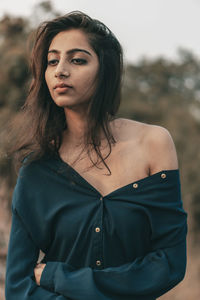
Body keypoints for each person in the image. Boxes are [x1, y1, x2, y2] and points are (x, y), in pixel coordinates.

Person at [5, 11, 187, 300]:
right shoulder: (37, 170)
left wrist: (60, 276)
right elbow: (18, 288)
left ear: (105, 70)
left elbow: (169, 264)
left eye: (77, 60)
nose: (60, 71)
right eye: (52, 61)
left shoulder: (153, 143)